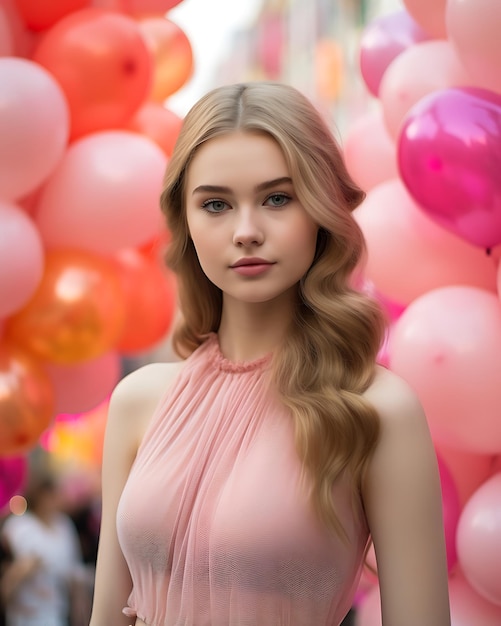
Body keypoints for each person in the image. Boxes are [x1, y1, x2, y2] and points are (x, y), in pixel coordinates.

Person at [89, 81, 451, 626]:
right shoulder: (138, 401)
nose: (246, 231)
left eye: (278, 198)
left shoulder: (377, 408)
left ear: (321, 210)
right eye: (215, 204)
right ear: (185, 222)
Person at [1, 469, 88, 626]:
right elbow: (7, 573)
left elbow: (74, 570)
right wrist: (21, 570)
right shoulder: (18, 526)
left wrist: (80, 605)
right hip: (25, 611)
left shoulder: (64, 525)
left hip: (56, 610)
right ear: (40, 496)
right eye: (52, 495)